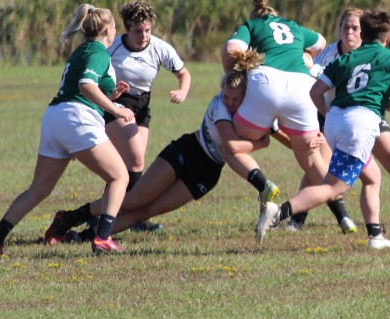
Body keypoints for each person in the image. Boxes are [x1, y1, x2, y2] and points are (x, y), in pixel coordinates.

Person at [46, 61, 296, 241]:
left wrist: (302, 145)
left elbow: (275, 129)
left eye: (235, 99)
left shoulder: (250, 112)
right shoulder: (220, 106)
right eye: (227, 96)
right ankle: (69, 218)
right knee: (134, 200)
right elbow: (232, 145)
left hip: (207, 174)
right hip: (187, 151)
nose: (230, 102)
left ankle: (86, 237)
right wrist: (261, 144)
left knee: (146, 211)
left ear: (246, 99)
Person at [257, 9, 390, 249]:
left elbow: (315, 92)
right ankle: (279, 213)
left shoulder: (343, 59)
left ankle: (376, 236)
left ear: (362, 33)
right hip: (360, 125)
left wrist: (329, 115)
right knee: (332, 187)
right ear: (388, 38)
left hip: (335, 123)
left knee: (373, 177)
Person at [0, 3, 135, 256]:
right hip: (77, 118)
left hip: (56, 117)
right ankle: (103, 239)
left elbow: (84, 85)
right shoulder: (99, 52)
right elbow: (86, 85)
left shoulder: (82, 50)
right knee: (120, 177)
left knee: (38, 190)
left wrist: (112, 94)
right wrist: (117, 109)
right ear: (108, 29)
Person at [288, 7, 390, 230]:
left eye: (354, 27)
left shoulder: (374, 52)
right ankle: (296, 218)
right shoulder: (328, 56)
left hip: (369, 116)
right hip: (331, 115)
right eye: (345, 26)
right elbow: (314, 88)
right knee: (319, 169)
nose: (349, 31)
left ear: (364, 32)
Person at [222, 0, 357, 233]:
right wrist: (306, 54)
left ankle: (265, 173)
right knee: (313, 162)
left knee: (233, 140)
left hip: (265, 82)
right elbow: (322, 41)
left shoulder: (251, 26)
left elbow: (231, 49)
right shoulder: (293, 26)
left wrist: (231, 77)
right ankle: (344, 217)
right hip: (301, 88)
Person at [105, 0, 191, 233]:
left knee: (125, 165)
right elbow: (91, 78)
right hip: (114, 105)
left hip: (142, 108)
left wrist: (182, 91)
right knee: (136, 160)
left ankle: (110, 216)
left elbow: (184, 74)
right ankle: (126, 218)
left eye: (147, 30)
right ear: (126, 29)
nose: (143, 36)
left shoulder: (159, 48)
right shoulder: (111, 48)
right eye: (137, 31)